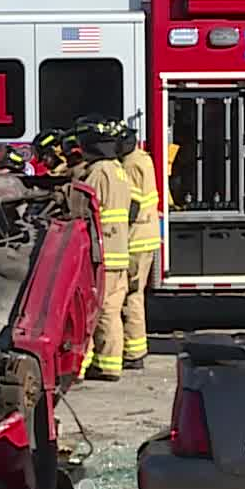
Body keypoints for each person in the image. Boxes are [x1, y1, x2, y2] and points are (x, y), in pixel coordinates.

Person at [69, 123, 132, 382]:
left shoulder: (97, 172)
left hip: (102, 252)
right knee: (112, 310)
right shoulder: (118, 169)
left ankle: (82, 367)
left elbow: (81, 207)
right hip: (120, 252)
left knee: (93, 311)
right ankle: (110, 364)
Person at [117, 119, 160, 370]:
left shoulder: (130, 165)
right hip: (147, 237)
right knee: (134, 296)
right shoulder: (143, 158)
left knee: (129, 297)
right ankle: (135, 350)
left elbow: (131, 205)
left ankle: (134, 353)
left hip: (135, 239)